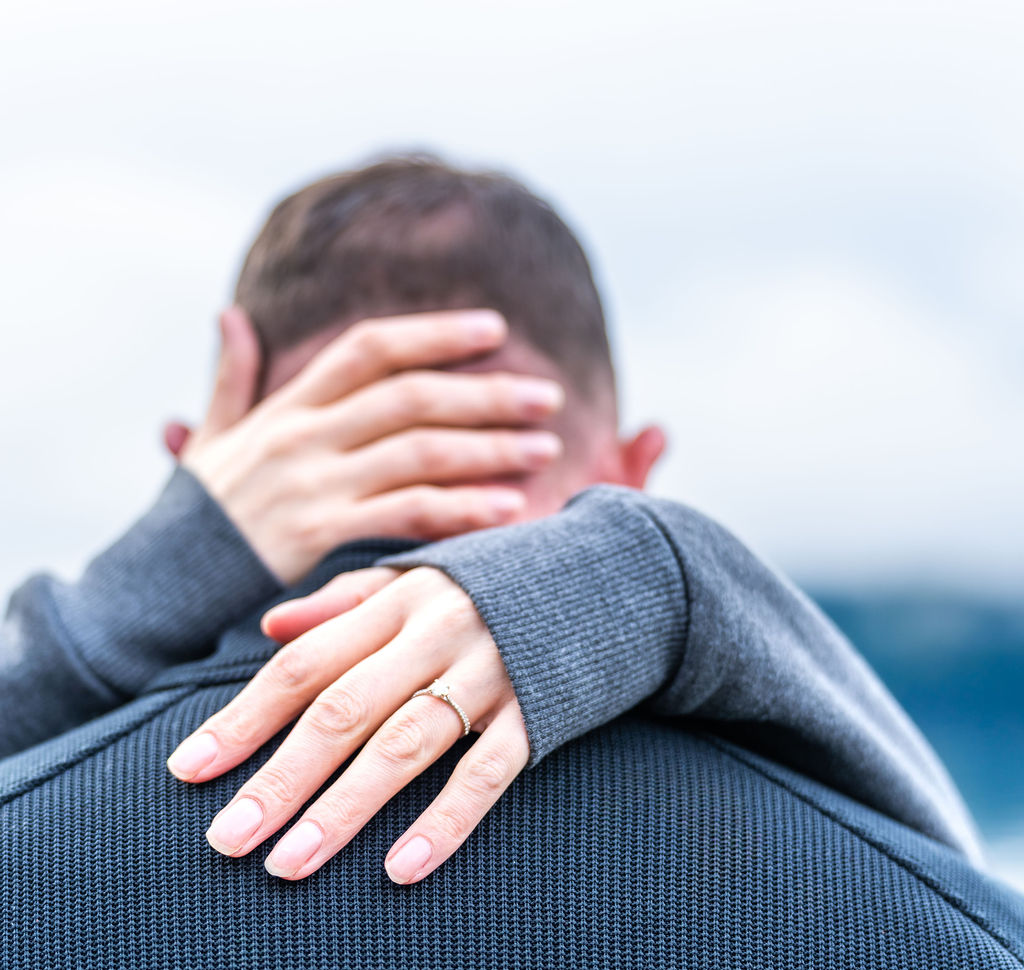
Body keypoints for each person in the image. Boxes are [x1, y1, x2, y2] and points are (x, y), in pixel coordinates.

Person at [0, 155, 981, 880]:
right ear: (633, 471)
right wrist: (663, 577)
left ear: (194, 457)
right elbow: (963, 894)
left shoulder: (36, 831)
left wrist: (150, 581)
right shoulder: (831, 869)